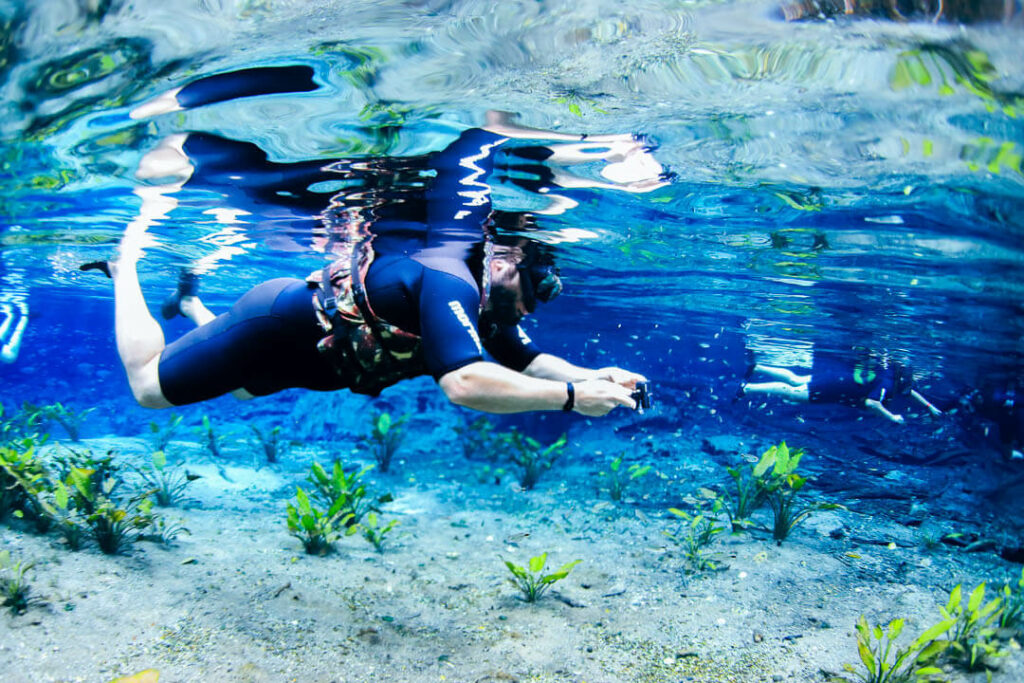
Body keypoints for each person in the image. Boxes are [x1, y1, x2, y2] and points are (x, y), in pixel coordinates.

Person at [82, 66, 656, 417]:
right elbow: (464, 383)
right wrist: (573, 400)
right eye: (541, 281)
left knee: (240, 392)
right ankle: (124, 262)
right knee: (149, 390)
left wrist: (590, 377)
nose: (539, 297)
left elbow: (527, 362)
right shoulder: (449, 275)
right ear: (507, 256)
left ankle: (188, 304)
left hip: (329, 362)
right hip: (281, 323)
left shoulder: (484, 304)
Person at [739, 350, 942, 423]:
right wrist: (892, 417)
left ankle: (757, 367)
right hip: (834, 389)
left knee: (796, 379)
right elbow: (872, 403)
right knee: (793, 393)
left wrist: (928, 406)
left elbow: (909, 392)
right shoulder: (888, 383)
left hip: (837, 379)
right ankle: (747, 389)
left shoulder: (892, 377)